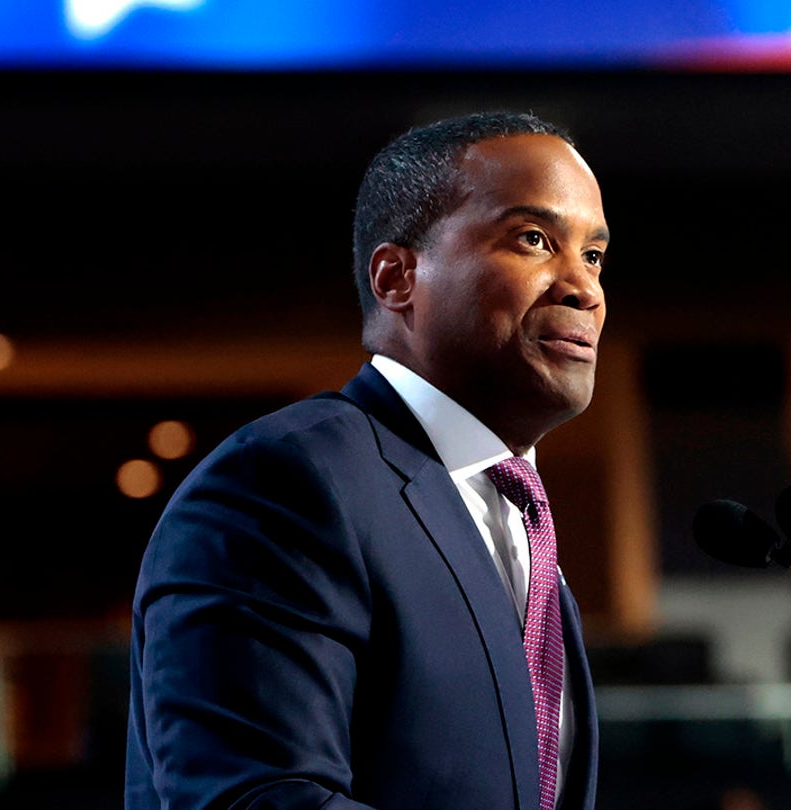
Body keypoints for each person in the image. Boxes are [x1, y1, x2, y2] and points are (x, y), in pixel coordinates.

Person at [125, 111, 610, 809]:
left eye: (593, 255)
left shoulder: (520, 522)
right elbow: (259, 797)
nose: (584, 288)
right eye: (534, 240)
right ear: (396, 278)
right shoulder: (283, 485)